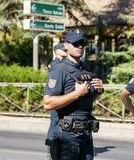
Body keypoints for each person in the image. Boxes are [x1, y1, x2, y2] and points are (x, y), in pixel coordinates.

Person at [43, 29, 104, 160]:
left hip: (86, 132)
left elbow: (86, 100)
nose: (80, 46)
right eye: (76, 44)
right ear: (66, 45)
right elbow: (47, 103)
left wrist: (98, 91)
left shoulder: (85, 70)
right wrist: (76, 93)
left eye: (82, 43)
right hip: (67, 134)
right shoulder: (59, 71)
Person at [45, 42, 67, 160]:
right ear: (57, 51)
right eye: (64, 50)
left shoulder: (60, 63)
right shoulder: (55, 64)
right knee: (55, 124)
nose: (66, 51)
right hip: (57, 99)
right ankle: (52, 148)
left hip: (60, 99)